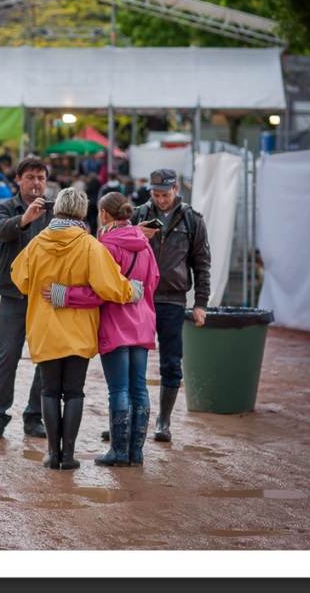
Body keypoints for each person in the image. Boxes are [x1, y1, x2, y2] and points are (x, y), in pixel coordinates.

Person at [10, 187, 144, 470]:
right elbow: (110, 286)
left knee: (49, 391)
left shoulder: (36, 243)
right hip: (79, 331)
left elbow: (19, 279)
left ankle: (51, 455)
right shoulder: (90, 245)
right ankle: (68, 456)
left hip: (44, 329)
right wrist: (132, 291)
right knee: (73, 391)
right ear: (83, 213)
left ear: (56, 210)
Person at [42, 191, 159, 467]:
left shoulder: (103, 245)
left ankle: (118, 452)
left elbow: (99, 292)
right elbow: (153, 280)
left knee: (118, 389)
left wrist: (65, 295)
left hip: (115, 323)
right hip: (142, 321)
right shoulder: (145, 243)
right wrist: (138, 300)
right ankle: (136, 453)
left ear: (104, 214)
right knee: (139, 388)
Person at [121, 167, 211, 443]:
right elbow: (117, 249)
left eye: (165, 194)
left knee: (171, 362)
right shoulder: (137, 215)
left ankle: (163, 420)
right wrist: (135, 233)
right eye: (155, 194)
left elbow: (202, 264)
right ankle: (125, 417)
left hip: (172, 299)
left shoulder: (192, 221)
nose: (160, 199)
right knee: (128, 360)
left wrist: (201, 303)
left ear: (175, 190)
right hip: (138, 298)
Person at [0, 155, 54, 441]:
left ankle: (34, 416)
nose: (36, 183)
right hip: (13, 295)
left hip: (45, 297)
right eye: (30, 178)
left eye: (40, 178)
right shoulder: (5, 207)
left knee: (46, 357)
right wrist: (25, 219)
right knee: (8, 356)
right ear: (18, 180)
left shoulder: (54, 210)